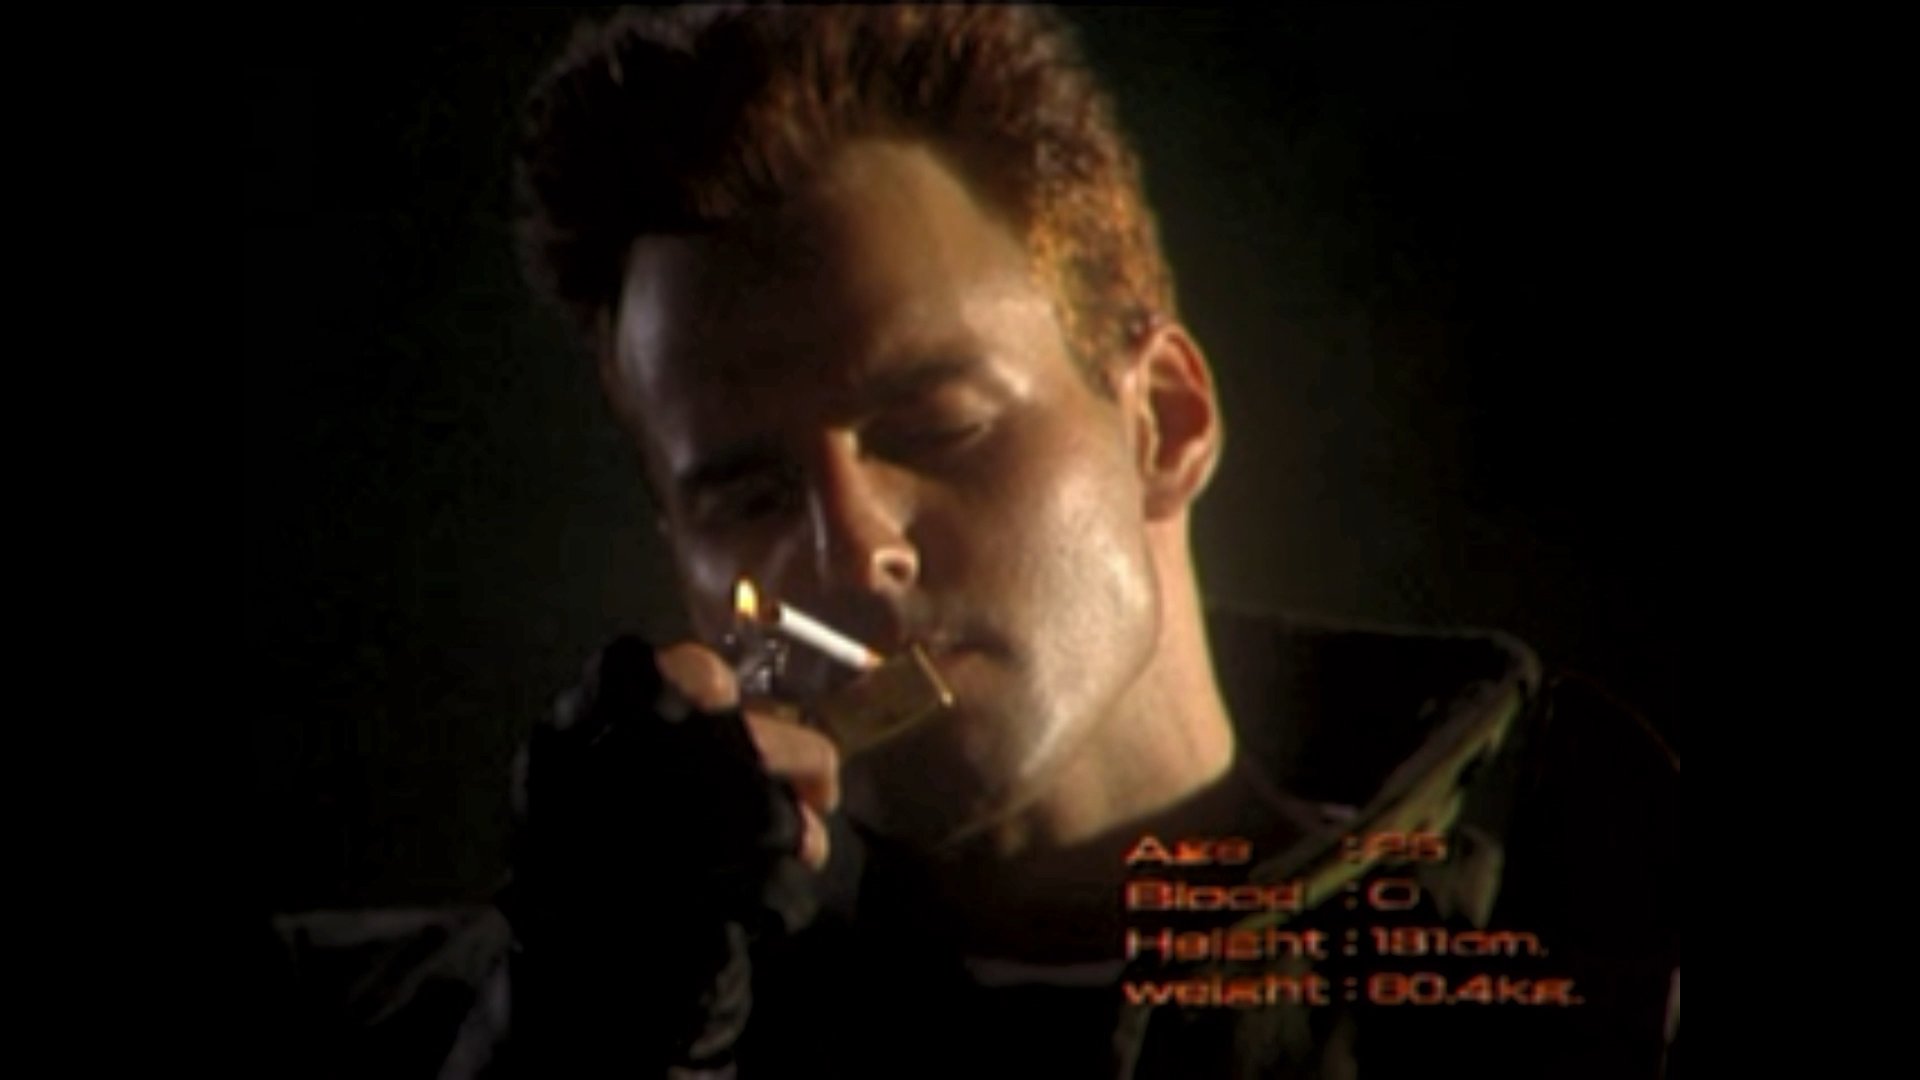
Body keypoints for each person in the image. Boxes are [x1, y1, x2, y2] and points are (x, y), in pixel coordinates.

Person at [269, 6, 1679, 1077]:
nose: (850, 552)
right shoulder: (503, 1013)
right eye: (746, 492)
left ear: (1165, 423)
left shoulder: (1603, 953)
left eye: (934, 427)